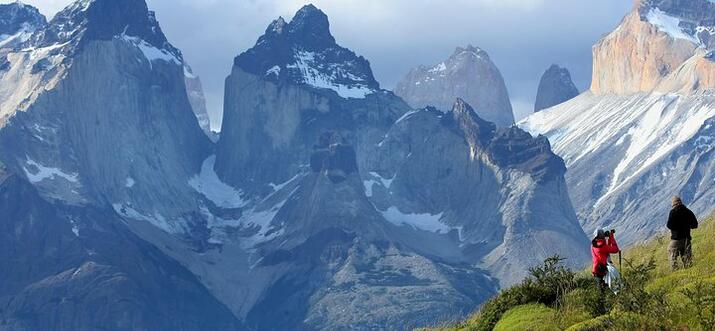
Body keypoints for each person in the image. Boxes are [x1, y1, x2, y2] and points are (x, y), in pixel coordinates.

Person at [667, 196, 698, 270]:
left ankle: (675, 271)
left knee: (671, 252)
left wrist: (676, 228)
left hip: (676, 239)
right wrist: (686, 226)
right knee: (687, 258)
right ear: (681, 202)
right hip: (687, 239)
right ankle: (689, 271)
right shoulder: (688, 211)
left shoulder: (673, 212)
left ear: (674, 204)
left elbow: (669, 225)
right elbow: (695, 225)